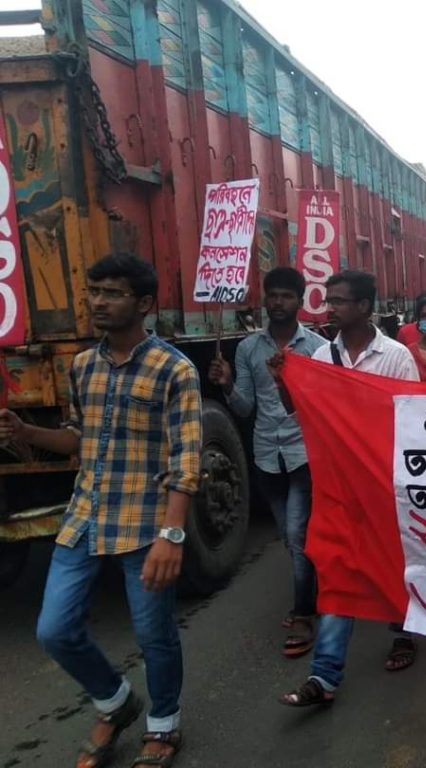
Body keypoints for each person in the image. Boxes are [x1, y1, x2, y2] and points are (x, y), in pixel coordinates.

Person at [0, 254, 199, 767]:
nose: (99, 302)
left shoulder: (175, 369)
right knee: (54, 630)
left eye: (112, 293)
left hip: (145, 522)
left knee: (154, 635)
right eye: (94, 292)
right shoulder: (83, 365)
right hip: (86, 515)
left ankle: (164, 723)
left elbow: (187, 460)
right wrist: (28, 432)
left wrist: (172, 534)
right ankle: (115, 701)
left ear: (144, 303)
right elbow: (79, 438)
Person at [272, 271, 419, 708]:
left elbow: (410, 418)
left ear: (365, 307)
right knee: (337, 567)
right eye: (329, 300)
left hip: (382, 480)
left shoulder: (396, 357)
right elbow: (301, 410)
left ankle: (404, 632)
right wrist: (283, 381)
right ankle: (325, 674)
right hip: (336, 482)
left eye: (339, 301)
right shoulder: (320, 355)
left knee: (393, 559)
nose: (330, 308)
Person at [208, 266, 327, 657]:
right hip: (266, 454)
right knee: (292, 539)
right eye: (272, 295)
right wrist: (227, 384)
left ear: (300, 301)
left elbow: (320, 409)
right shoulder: (247, 349)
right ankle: (317, 590)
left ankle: (303, 613)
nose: (278, 302)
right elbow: (245, 409)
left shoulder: (317, 348)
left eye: (286, 296)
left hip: (303, 452)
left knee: (296, 533)